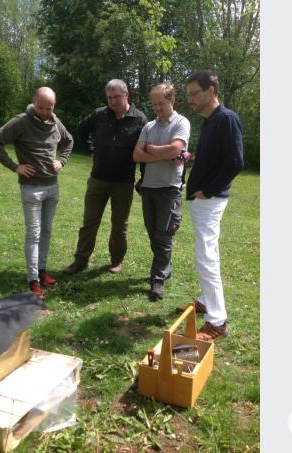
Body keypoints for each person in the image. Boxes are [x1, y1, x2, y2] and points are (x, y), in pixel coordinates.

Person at [0, 87, 73, 298]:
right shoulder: (21, 121)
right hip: (31, 189)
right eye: (41, 107)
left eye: (49, 108)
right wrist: (15, 166)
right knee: (33, 234)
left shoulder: (55, 121)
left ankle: (41, 271)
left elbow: (69, 140)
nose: (45, 112)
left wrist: (61, 161)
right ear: (34, 101)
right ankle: (33, 280)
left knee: (46, 231)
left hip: (52, 187)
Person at [181, 70, 244, 341]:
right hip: (203, 200)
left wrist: (208, 190)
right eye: (188, 95)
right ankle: (206, 301)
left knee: (206, 256)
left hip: (211, 200)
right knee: (207, 253)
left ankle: (217, 321)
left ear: (211, 91)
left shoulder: (226, 119)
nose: (191, 100)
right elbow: (217, 158)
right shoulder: (209, 122)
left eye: (195, 93)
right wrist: (192, 159)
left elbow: (235, 161)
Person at [62, 80, 148, 275]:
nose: (113, 101)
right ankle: (80, 260)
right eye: (109, 97)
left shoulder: (140, 119)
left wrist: (143, 177)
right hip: (97, 180)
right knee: (89, 222)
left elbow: (144, 150)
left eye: (117, 97)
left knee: (119, 226)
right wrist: (91, 149)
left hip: (123, 183)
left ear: (127, 95)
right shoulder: (100, 114)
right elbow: (81, 130)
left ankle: (116, 260)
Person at [133, 83, 191, 301]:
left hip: (169, 189)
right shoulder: (149, 126)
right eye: (154, 103)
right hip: (148, 187)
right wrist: (164, 153)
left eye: (161, 103)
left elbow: (176, 149)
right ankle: (165, 266)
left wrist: (151, 149)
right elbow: (137, 155)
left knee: (164, 235)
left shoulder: (181, 122)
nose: (157, 107)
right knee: (153, 234)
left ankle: (157, 280)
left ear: (171, 101)